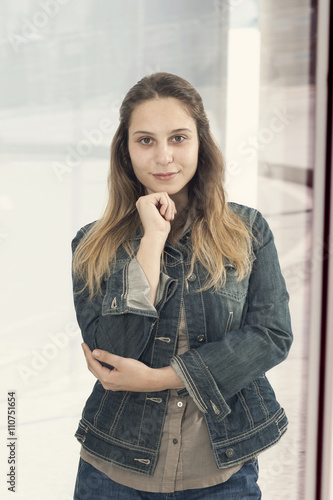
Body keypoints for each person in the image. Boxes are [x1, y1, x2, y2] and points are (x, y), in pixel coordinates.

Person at [71, 72, 293, 499]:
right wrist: (150, 241)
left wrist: (160, 378)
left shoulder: (248, 230)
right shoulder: (92, 242)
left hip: (221, 471)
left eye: (177, 138)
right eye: (146, 140)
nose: (163, 158)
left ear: (200, 143)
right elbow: (114, 352)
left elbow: (271, 336)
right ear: (126, 151)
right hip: (114, 470)